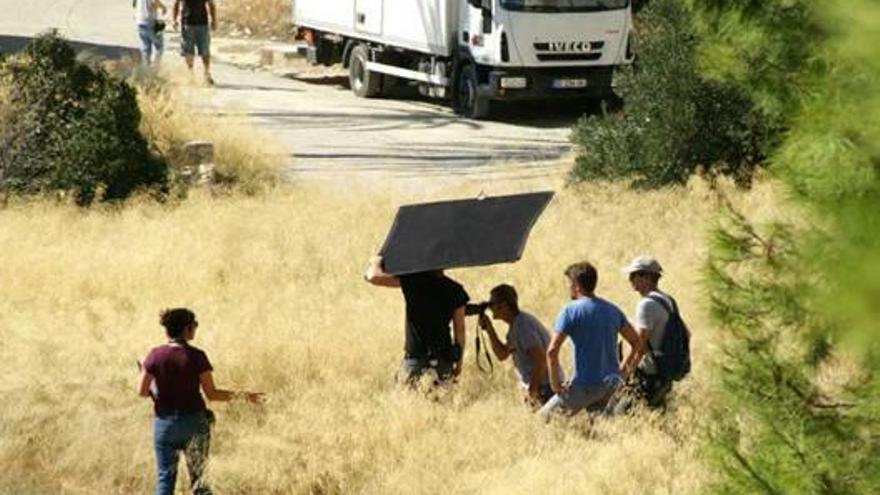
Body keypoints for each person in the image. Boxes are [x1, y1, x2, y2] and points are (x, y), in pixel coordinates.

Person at [139, 308, 263, 495]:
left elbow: (142, 391)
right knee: (200, 482)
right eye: (194, 325)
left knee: (165, 479)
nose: (196, 329)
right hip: (194, 423)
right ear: (187, 329)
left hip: (164, 424)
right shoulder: (197, 356)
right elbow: (212, 394)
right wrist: (249, 397)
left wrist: (155, 389)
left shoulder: (154, 355)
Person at [540, 261, 642, 417]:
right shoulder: (613, 310)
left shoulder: (570, 311)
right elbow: (636, 343)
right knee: (599, 431)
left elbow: (552, 351)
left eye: (568, 283)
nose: (567, 287)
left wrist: (556, 385)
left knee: (543, 420)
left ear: (576, 285)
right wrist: (621, 373)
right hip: (609, 385)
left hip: (584, 385)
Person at [365, 256, 469, 386]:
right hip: (443, 359)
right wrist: (458, 363)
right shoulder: (456, 290)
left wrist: (375, 262)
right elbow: (460, 330)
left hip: (415, 358)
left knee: (406, 403)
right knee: (442, 404)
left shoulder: (413, 282)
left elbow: (374, 277)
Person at [478, 284, 560, 406]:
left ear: (504, 305)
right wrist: (490, 329)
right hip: (541, 386)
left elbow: (541, 360)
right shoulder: (516, 325)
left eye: (491, 304)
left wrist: (533, 390)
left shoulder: (523, 327)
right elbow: (502, 355)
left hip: (545, 388)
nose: (490, 308)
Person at [623, 256, 679, 408]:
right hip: (665, 372)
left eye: (633, 275)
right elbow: (686, 333)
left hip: (649, 374)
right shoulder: (668, 300)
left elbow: (639, 347)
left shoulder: (646, 305)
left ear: (646, 277)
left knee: (620, 415)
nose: (630, 279)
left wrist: (625, 373)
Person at [173, 0, 217, 85]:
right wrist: (174, 20)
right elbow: (176, 3)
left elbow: (211, 4)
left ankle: (206, 73)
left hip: (202, 24)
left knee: (205, 51)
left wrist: (214, 20)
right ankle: (190, 75)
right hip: (187, 23)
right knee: (189, 51)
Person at [135, 0, 167, 67]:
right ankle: (155, 69)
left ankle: (146, 70)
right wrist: (163, 7)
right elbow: (154, 1)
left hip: (140, 22)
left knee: (146, 49)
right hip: (150, 22)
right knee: (159, 46)